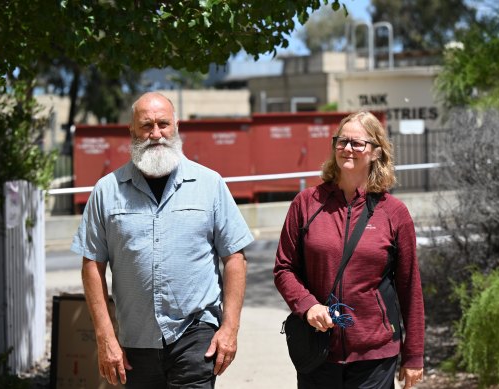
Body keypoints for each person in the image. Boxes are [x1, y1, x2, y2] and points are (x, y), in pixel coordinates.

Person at [71, 92, 254, 388]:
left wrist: (230, 328)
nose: (156, 134)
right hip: (135, 341)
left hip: (195, 336)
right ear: (131, 131)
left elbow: (235, 257)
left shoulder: (210, 184)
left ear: (176, 126)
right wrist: (105, 337)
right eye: (146, 126)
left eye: (163, 124)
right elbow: (92, 264)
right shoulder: (107, 191)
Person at [274, 111, 425, 389]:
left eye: (358, 143)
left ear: (376, 152)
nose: (347, 149)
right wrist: (308, 307)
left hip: (375, 353)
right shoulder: (306, 203)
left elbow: (409, 287)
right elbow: (284, 268)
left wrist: (413, 355)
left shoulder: (394, 212)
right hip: (317, 350)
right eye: (342, 141)